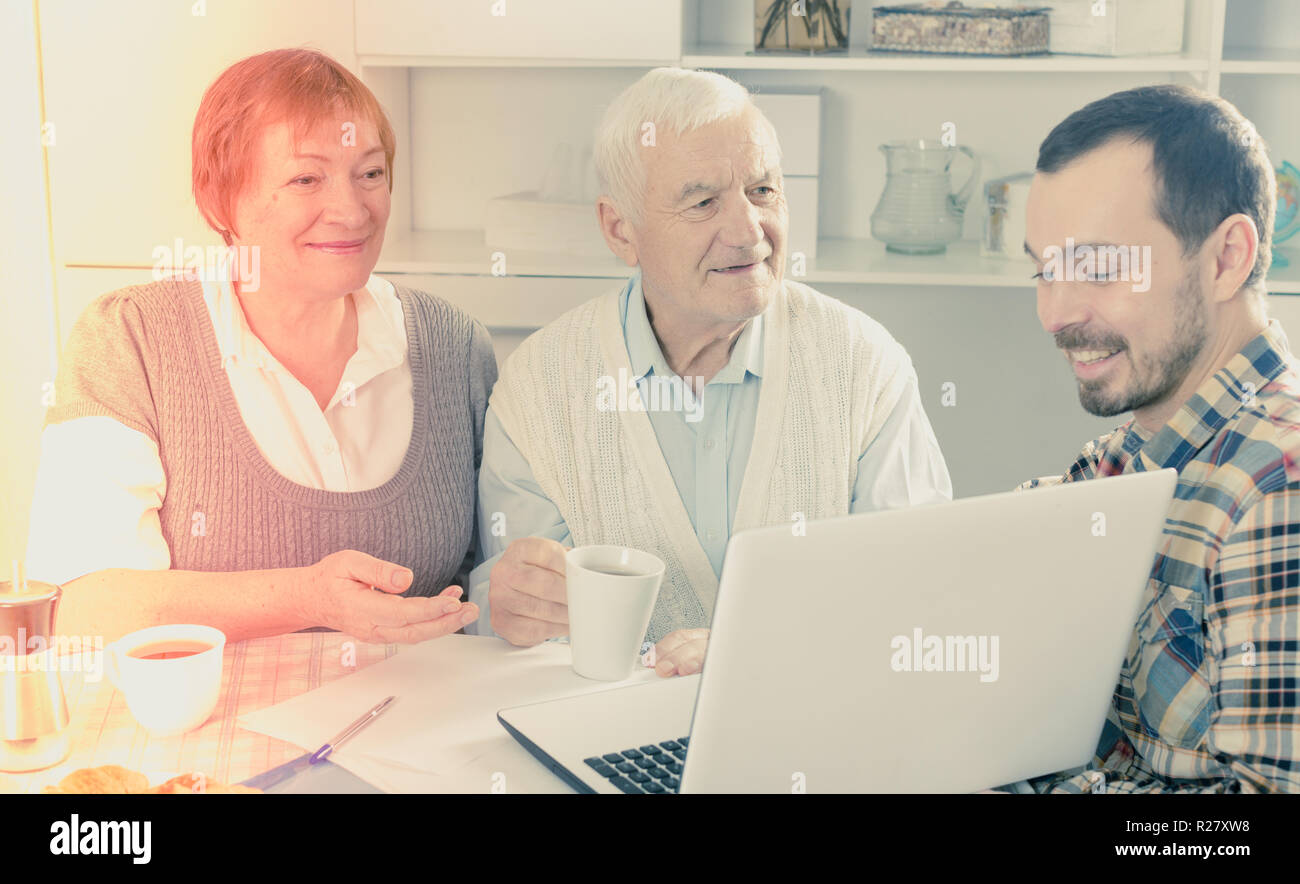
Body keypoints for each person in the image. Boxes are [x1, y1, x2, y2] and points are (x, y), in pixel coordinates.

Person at [466, 67, 952, 675]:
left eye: (763, 191)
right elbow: (514, 624)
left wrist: (759, 650)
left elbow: (916, 596)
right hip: (608, 737)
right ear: (621, 230)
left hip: (818, 731)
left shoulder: (865, 365)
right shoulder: (539, 389)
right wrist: (507, 607)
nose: (749, 231)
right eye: (703, 202)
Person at [26, 49, 495, 644]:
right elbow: (77, 605)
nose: (352, 210)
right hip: (208, 730)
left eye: (370, 173)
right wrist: (307, 598)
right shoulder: (131, 340)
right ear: (220, 200)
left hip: (421, 722)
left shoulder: (456, 349)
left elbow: (489, 578)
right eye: (305, 179)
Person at [1021, 84, 1299, 792]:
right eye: (1045, 269)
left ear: (1225, 259)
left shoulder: (1278, 485)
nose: (1055, 314)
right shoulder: (1127, 460)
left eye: (1102, 268)